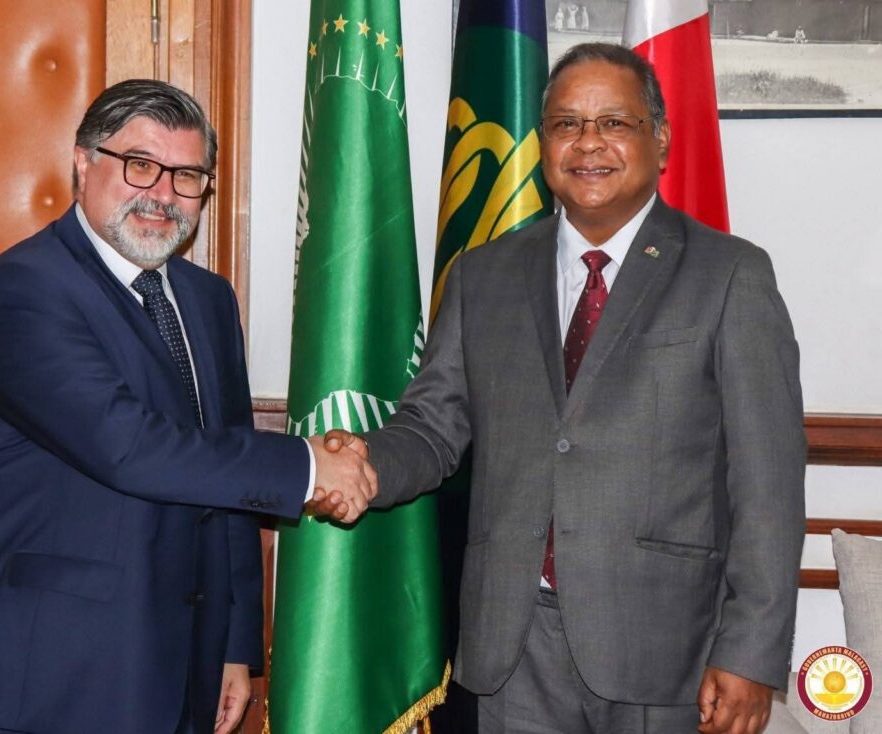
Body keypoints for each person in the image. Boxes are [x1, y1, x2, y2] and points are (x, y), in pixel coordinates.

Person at [319, 43, 805, 734]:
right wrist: (361, 464)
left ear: (661, 139)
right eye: (566, 124)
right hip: (513, 646)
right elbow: (432, 428)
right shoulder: (483, 276)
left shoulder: (730, 275)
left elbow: (768, 483)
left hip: (667, 652)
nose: (589, 143)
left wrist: (751, 653)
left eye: (615, 123)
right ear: (543, 142)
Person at [0, 79, 373, 734]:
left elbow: (227, 490)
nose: (163, 194)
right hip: (53, 678)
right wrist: (311, 468)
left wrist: (235, 646)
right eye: (140, 165)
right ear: (83, 163)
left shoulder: (207, 299)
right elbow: (130, 447)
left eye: (187, 176)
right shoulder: (24, 290)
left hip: (183, 672)